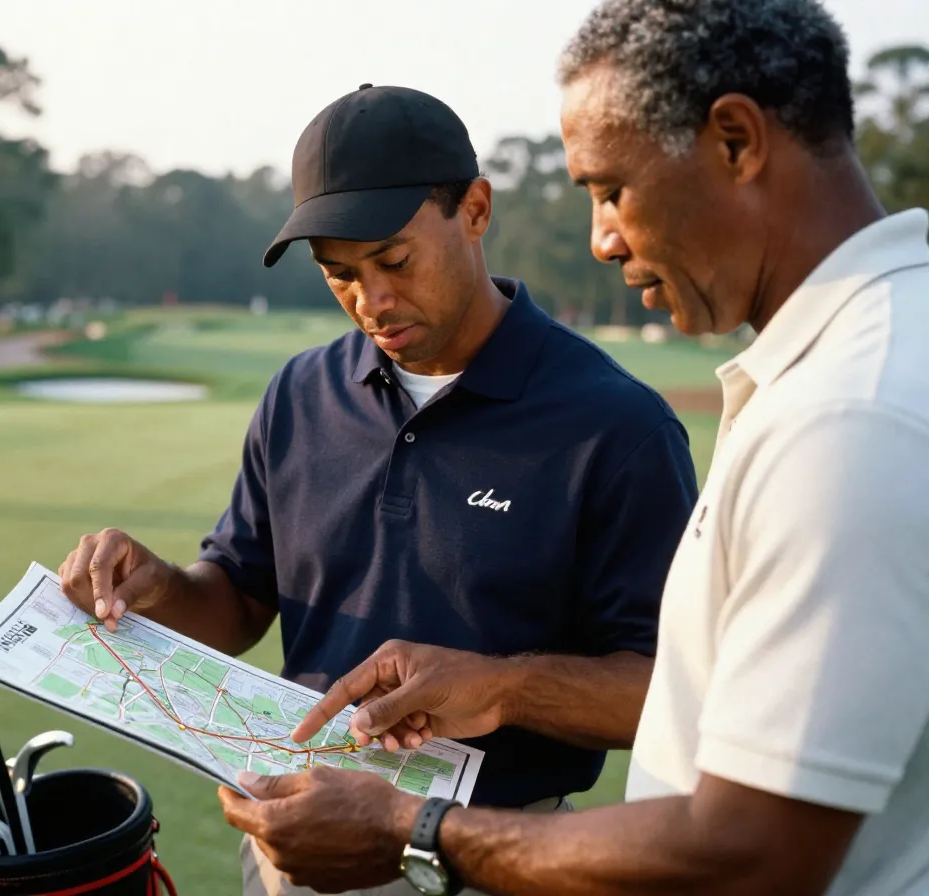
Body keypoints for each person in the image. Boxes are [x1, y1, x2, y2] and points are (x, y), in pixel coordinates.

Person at [216, 2, 929, 895]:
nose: (601, 240)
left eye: (610, 189)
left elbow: (754, 853)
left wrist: (415, 827)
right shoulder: (866, 364)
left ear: (737, 142)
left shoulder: (852, 418)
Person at [58, 83, 698, 895]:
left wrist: (500, 687)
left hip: (490, 861)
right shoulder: (299, 394)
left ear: (474, 209)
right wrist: (162, 590)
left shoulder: (617, 428)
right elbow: (238, 603)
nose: (372, 301)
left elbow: (669, 691)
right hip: (293, 857)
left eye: (394, 261)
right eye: (340, 276)